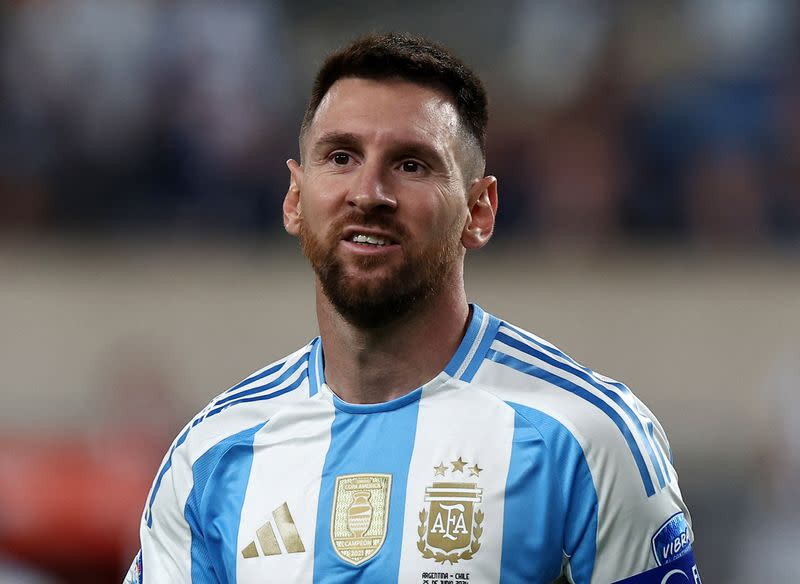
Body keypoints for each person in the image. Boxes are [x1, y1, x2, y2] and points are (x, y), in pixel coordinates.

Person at [125, 33, 701, 584]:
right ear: (296, 200)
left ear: (479, 210)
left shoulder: (586, 438)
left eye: (411, 165)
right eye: (342, 156)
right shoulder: (212, 455)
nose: (369, 193)